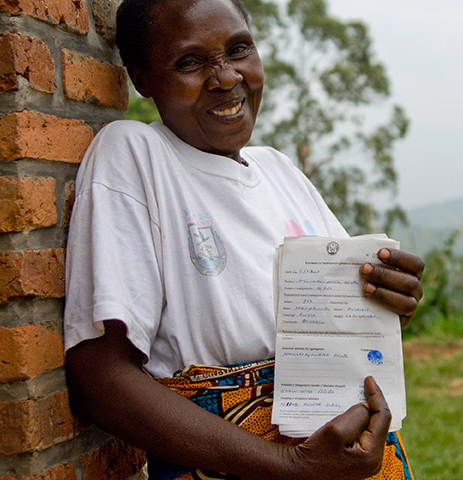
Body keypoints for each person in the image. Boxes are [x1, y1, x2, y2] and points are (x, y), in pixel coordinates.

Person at [63, 0, 424, 478]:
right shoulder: (135, 155)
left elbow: (351, 332)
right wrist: (289, 465)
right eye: (190, 62)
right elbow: (99, 377)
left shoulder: (279, 171)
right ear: (142, 79)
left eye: (239, 49)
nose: (226, 78)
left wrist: (389, 300)